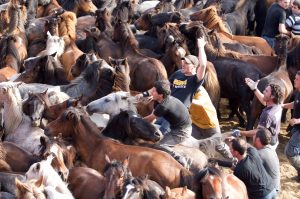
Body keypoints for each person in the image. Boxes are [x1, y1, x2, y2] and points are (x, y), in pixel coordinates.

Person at [232, 78, 283, 150]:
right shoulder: (277, 105)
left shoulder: (267, 114)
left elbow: (257, 132)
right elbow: (264, 100)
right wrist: (255, 89)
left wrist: (240, 132)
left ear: (272, 97)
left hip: (266, 146)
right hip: (274, 139)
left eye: (266, 91)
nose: (263, 92)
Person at [190, 86, 233, 160]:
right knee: (192, 143)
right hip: (195, 123)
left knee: (218, 145)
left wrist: (188, 100)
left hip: (210, 124)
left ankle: (233, 160)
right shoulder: (185, 90)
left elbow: (200, 103)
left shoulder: (200, 90)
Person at [144, 80, 192, 146]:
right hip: (176, 127)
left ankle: (178, 156)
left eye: (154, 91)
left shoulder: (163, 106)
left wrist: (135, 120)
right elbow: (153, 117)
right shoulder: (160, 100)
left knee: (158, 146)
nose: (151, 92)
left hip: (181, 132)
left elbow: (149, 119)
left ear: (160, 95)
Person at [282, 71, 300, 181]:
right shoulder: (298, 92)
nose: (294, 80)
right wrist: (282, 105)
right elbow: (295, 104)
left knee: (290, 153)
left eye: (297, 79)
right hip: (296, 128)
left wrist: (297, 120)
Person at [253, 127, 281, 192]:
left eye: (254, 136)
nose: (253, 137)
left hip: (267, 191)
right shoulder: (270, 149)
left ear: (258, 139)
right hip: (275, 187)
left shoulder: (259, 154)